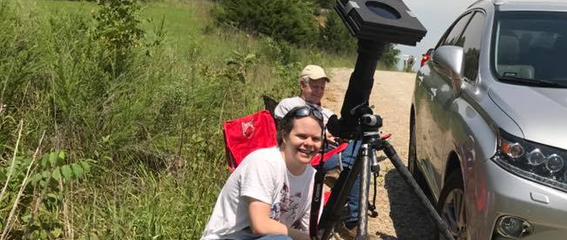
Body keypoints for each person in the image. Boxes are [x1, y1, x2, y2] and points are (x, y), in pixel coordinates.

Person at [201, 106, 325, 240]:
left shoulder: (314, 179)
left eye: (316, 139)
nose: (309, 143)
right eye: (302, 136)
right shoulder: (263, 162)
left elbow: (310, 232)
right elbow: (260, 226)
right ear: (284, 136)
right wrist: (304, 237)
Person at [273, 65, 362, 238]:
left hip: (330, 153)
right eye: (314, 86)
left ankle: (344, 171)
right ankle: (353, 219)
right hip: (307, 156)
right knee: (354, 164)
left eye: (322, 87)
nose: (319, 91)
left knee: (361, 143)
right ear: (302, 85)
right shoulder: (290, 104)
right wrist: (321, 136)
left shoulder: (326, 112)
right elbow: (287, 133)